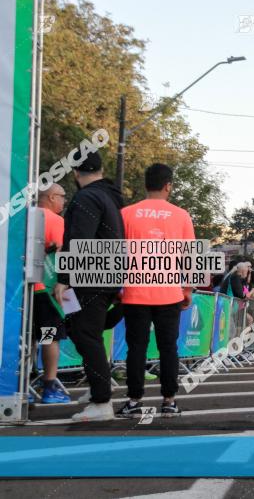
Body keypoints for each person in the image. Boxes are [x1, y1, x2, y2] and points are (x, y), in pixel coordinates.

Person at [116, 163, 195, 418]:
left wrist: (118, 287)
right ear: (168, 185)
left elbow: (116, 254)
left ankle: (134, 400)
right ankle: (169, 401)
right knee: (168, 347)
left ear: (145, 184)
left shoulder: (126, 213)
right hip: (169, 293)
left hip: (134, 291)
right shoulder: (181, 215)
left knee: (136, 348)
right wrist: (187, 289)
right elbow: (190, 257)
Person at [53, 150, 124, 422]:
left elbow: (79, 238)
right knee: (83, 330)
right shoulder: (110, 197)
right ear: (101, 169)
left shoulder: (86, 197)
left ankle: (101, 399)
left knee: (85, 334)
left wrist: (63, 278)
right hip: (105, 274)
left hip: (88, 276)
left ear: (74, 172)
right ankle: (98, 388)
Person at [32, 183, 71, 404]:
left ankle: (23, 384)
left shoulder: (26, 217)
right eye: (62, 197)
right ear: (51, 197)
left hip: (26, 291)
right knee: (49, 337)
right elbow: (61, 253)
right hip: (48, 292)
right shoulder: (56, 221)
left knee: (28, 338)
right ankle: (49, 385)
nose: (64, 201)